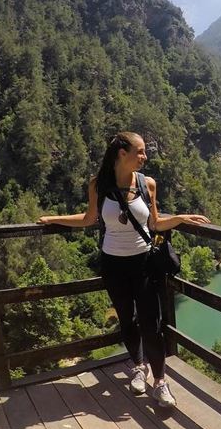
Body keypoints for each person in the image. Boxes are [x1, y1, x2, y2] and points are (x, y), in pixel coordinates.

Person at [38, 131, 210, 407]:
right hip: (113, 265)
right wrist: (52, 219)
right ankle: (138, 367)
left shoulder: (147, 184)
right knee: (127, 319)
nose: (144, 157)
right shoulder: (98, 184)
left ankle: (160, 382)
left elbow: (153, 223)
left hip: (143, 264)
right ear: (122, 153)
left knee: (151, 324)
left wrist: (179, 219)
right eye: (140, 152)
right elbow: (89, 218)